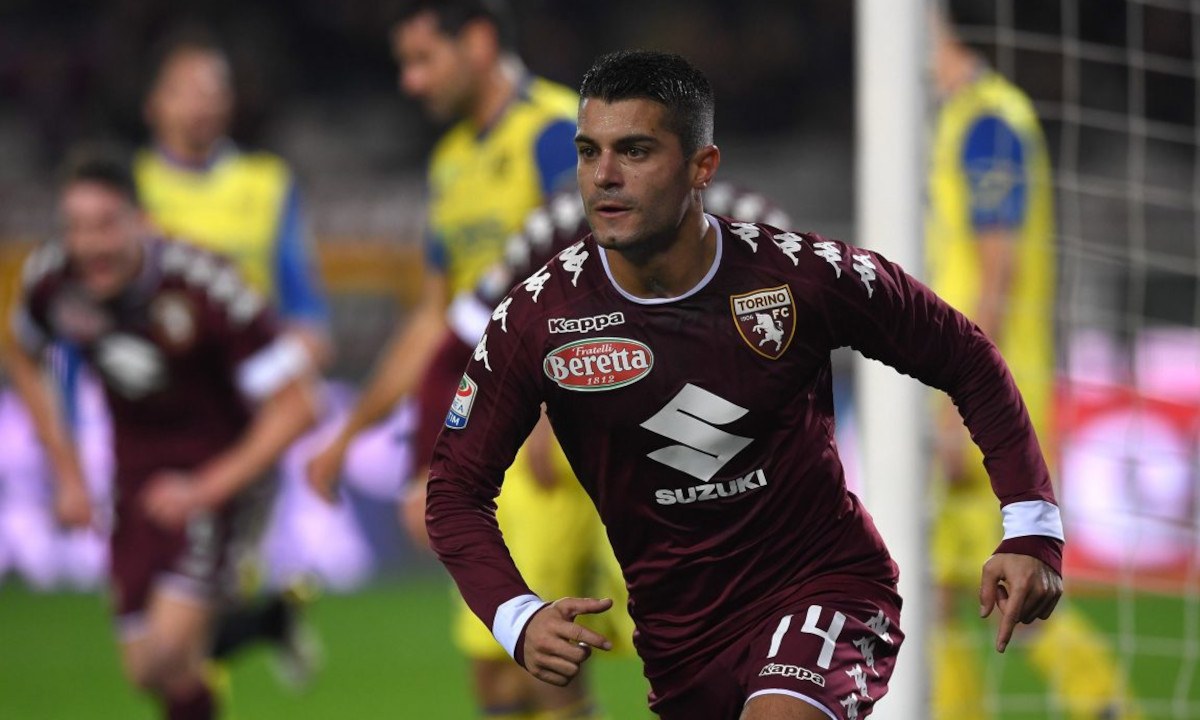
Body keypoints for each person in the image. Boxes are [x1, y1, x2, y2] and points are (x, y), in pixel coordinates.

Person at [426, 50, 1065, 720]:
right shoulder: (539, 318)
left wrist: (1031, 527)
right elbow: (455, 490)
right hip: (681, 641)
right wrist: (516, 615)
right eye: (590, 152)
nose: (604, 176)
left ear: (702, 167)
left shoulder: (799, 277)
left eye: (635, 151)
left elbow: (964, 354)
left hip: (824, 587)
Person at [304, 2, 605, 717]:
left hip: (554, 423)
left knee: (541, 661)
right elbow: (435, 322)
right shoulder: (451, 164)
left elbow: (597, 266)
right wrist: (352, 435)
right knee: (505, 676)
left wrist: (555, 410)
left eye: (423, 58)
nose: (411, 82)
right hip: (493, 428)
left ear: (477, 40)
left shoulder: (558, 133)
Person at [0, 151, 319, 720]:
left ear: (142, 222)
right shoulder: (54, 280)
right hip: (134, 478)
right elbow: (19, 349)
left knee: (171, 648)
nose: (89, 245)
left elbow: (298, 408)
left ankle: (255, 621)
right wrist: (68, 475)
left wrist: (205, 488)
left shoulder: (204, 287)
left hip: (220, 473)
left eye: (106, 225)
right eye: (76, 227)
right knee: (148, 670)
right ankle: (266, 621)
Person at [928, 11, 1138, 720]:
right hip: (979, 385)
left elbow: (999, 266)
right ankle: (1100, 702)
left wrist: (957, 395)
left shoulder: (989, 122)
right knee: (943, 589)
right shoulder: (968, 118)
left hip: (985, 394)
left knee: (991, 582)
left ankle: (1103, 702)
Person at [134, 29, 331, 681]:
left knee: (188, 615)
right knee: (159, 625)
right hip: (148, 420)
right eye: (185, 90)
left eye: (213, 90)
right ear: (154, 104)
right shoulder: (128, 194)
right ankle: (267, 620)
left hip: (239, 426)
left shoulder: (265, 184)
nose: (201, 103)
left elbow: (307, 315)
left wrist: (287, 376)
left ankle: (233, 649)